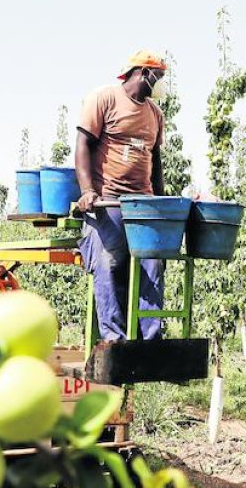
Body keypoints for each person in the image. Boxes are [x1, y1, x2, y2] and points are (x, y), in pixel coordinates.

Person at [75, 50, 172, 340]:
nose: (162, 84)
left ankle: (150, 339)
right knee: (108, 263)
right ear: (143, 73)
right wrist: (87, 191)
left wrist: (162, 202)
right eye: (160, 76)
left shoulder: (155, 113)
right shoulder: (104, 99)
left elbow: (155, 161)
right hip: (108, 199)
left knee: (153, 263)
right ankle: (114, 339)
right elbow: (82, 145)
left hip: (142, 203)